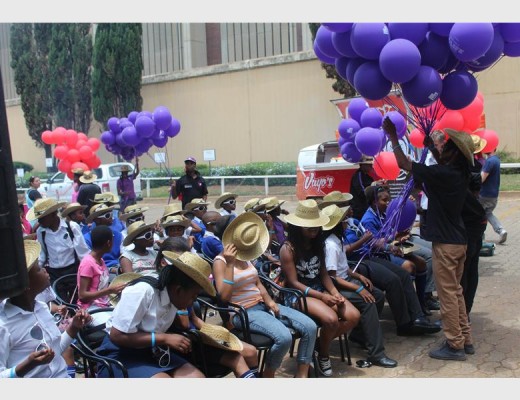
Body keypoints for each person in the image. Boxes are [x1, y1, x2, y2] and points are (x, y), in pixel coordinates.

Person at [384, 117, 475, 361]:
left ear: (454, 153)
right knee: (456, 292)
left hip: (446, 244)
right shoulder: (458, 173)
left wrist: (393, 137)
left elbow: (404, 163)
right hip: (459, 241)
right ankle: (465, 339)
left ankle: (454, 345)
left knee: (447, 296)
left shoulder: (442, 173)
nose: (442, 148)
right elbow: (441, 163)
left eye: (447, 147)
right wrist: (432, 148)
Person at [213, 212, 318, 378]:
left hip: (261, 305)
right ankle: (268, 374)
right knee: (284, 338)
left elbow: (257, 283)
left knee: (310, 327)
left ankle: (302, 374)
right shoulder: (221, 262)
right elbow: (224, 297)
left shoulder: (245, 255)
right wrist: (230, 265)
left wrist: (269, 301)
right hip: (243, 312)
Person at [95, 251, 218, 378]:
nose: (194, 301)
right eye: (193, 296)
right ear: (178, 290)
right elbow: (117, 336)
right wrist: (164, 338)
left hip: (153, 351)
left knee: (197, 377)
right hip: (120, 355)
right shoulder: (143, 292)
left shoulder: (173, 298)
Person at [156, 238, 259, 378]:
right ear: (163, 262)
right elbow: (184, 324)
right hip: (186, 343)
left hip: (199, 336)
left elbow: (194, 318)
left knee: (251, 351)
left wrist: (213, 332)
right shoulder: (168, 290)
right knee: (239, 357)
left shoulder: (187, 286)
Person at [280, 199, 360, 377]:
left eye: (316, 225)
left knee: (353, 316)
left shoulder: (319, 243)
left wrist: (335, 293)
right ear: (298, 226)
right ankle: (324, 354)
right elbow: (293, 282)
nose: (314, 229)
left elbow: (324, 274)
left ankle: (318, 345)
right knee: (331, 320)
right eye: (309, 227)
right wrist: (322, 297)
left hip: (318, 288)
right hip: (297, 295)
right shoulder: (288, 249)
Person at [343, 205, 440, 337]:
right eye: (347, 207)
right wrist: (363, 240)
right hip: (355, 264)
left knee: (403, 274)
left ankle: (418, 317)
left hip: (369, 257)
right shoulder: (337, 229)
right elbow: (345, 250)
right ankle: (404, 324)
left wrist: (390, 247)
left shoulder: (354, 222)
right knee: (392, 280)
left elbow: (373, 240)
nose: (351, 208)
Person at [0, 240, 92, 378]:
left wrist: (74, 327)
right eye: (38, 269)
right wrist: (27, 365)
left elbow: (55, 350)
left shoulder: (42, 307)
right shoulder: (4, 326)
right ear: (26, 285)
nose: (44, 270)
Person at [321, 204, 397, 368]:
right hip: (336, 288)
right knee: (368, 302)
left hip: (347, 280)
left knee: (378, 295)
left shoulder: (338, 240)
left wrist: (358, 276)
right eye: (344, 221)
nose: (347, 223)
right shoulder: (331, 245)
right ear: (337, 225)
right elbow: (332, 277)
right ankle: (376, 354)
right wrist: (358, 288)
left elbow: (343, 267)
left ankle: (359, 335)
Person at [361, 185, 430, 316]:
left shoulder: (384, 213)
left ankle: (421, 303)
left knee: (421, 263)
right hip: (379, 255)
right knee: (409, 266)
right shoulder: (369, 219)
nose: (388, 203)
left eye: (389, 200)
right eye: (384, 200)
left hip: (394, 247)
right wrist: (392, 241)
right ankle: (409, 309)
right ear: (375, 202)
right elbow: (375, 243)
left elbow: (392, 231)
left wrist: (399, 236)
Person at [27, 198, 90, 302]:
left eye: (42, 218)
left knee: (76, 301)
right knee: (60, 302)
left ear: (53, 214)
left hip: (72, 271)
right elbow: (42, 255)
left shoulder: (71, 227)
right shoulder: (41, 232)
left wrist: (87, 273)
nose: (39, 221)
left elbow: (82, 253)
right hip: (54, 273)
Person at [77, 225, 127, 311]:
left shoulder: (100, 260)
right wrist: (109, 290)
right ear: (108, 243)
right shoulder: (88, 263)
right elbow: (82, 296)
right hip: (90, 308)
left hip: (104, 304)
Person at [84, 203, 124, 277]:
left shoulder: (118, 235)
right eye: (108, 215)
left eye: (112, 214)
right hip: (98, 271)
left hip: (119, 267)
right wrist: (111, 270)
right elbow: (90, 261)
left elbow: (123, 255)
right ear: (97, 220)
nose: (112, 218)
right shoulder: (87, 239)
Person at [479, 146, 507, 244]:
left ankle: (480, 235)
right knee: (488, 213)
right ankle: (501, 230)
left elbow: (482, 178)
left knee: (478, 214)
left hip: (484, 194)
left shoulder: (489, 161)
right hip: (493, 194)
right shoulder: (496, 160)